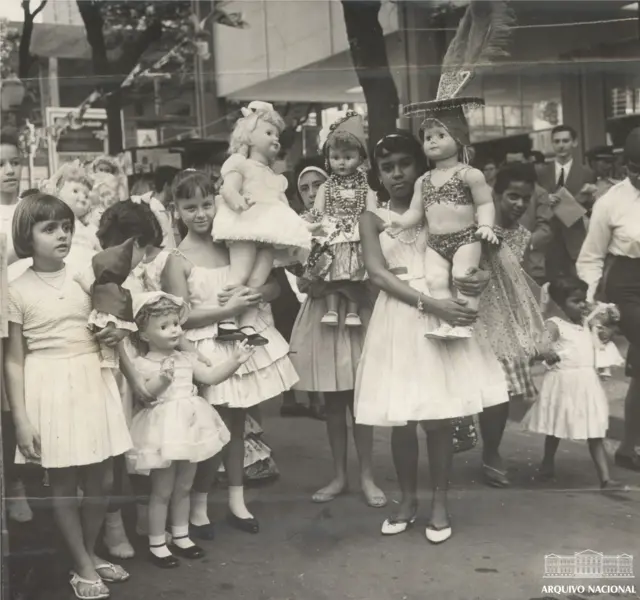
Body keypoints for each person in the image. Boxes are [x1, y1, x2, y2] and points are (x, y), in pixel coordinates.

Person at [355, 130, 509, 542]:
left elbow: (476, 250)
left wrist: (475, 281)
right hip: (400, 317)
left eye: (404, 163)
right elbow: (378, 274)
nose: (396, 173)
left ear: (420, 164)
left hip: (443, 313)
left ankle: (440, 502)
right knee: (401, 420)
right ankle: (407, 500)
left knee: (439, 419)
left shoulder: (442, 205)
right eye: (387, 167)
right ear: (378, 173)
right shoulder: (371, 215)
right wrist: (430, 303)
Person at [5, 193, 133, 600]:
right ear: (27, 236)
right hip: (49, 382)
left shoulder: (82, 272)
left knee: (103, 477)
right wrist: (21, 418)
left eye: (65, 226)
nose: (61, 234)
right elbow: (13, 360)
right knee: (63, 481)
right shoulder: (14, 286)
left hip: (91, 375)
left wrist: (115, 332)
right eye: (49, 229)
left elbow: (111, 318)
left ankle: (90, 552)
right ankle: (80, 563)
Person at [164, 169, 298, 535]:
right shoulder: (177, 258)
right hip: (203, 348)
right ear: (176, 210)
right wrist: (225, 311)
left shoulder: (233, 242)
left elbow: (273, 286)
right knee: (210, 428)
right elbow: (179, 316)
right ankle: (200, 505)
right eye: (190, 207)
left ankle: (238, 502)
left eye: (207, 204)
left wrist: (259, 294)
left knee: (237, 426)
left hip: (237, 341)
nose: (200, 214)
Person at [127, 292, 252, 568]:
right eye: (163, 326)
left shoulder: (185, 358)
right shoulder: (143, 363)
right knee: (162, 489)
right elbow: (146, 394)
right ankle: (157, 541)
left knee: (184, 485)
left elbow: (210, 376)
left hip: (190, 428)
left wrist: (235, 361)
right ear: (145, 335)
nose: (173, 329)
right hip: (164, 431)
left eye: (175, 323)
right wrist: (162, 379)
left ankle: (182, 535)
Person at [391, 96, 500, 339]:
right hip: (436, 242)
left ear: (458, 139)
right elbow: (416, 212)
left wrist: (485, 225)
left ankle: (465, 323)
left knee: (464, 277)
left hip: (465, 238)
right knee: (435, 280)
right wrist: (401, 222)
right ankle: (447, 321)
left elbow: (484, 202)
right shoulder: (423, 180)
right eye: (428, 137)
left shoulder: (469, 174)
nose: (433, 142)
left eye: (441, 135)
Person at [214, 101, 311, 342]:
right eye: (268, 133)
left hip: (268, 233)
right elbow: (229, 189)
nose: (275, 139)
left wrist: (301, 228)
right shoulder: (239, 163)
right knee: (240, 272)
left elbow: (283, 209)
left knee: (257, 281)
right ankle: (225, 319)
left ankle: (248, 323)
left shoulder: (274, 176)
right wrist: (237, 201)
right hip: (244, 226)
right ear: (248, 136)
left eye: (277, 135)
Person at [521, 277, 625, 490]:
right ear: (560, 304)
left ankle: (605, 479)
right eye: (576, 301)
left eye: (583, 300)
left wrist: (609, 330)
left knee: (594, 430)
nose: (583, 305)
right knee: (556, 426)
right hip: (564, 383)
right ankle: (547, 463)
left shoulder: (587, 323)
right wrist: (546, 352)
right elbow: (539, 345)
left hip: (587, 383)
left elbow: (608, 331)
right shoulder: (555, 324)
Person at [576, 127, 640, 472]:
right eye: (634, 170)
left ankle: (629, 448)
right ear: (624, 167)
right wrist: (591, 300)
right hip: (627, 287)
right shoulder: (610, 202)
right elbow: (591, 257)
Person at [303, 111, 377, 328]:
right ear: (328, 159)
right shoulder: (326, 187)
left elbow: (371, 212)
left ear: (360, 158)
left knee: (354, 275)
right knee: (331, 275)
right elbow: (317, 211)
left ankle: (353, 313)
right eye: (336, 158)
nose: (341, 163)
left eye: (348, 157)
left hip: (356, 235)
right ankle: (332, 309)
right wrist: (312, 226)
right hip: (332, 234)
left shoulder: (364, 187)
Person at [277, 157, 328, 420]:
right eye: (304, 189)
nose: (311, 194)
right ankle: (313, 398)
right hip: (305, 298)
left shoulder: (345, 217)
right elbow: (291, 265)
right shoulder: (298, 225)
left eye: (317, 186)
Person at [0, 127, 33, 525]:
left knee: (26, 397)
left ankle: (29, 476)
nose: (9, 171)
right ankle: (14, 487)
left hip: (27, 309)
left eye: (14, 163)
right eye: (0, 164)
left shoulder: (31, 208)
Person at [538, 125, 596, 280]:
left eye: (565, 140)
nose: (561, 145)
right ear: (552, 144)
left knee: (576, 286)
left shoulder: (586, 173)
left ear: (574, 142)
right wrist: (545, 199)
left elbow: (590, 210)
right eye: (556, 141)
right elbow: (534, 203)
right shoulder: (542, 172)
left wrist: (587, 200)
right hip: (549, 240)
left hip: (575, 240)